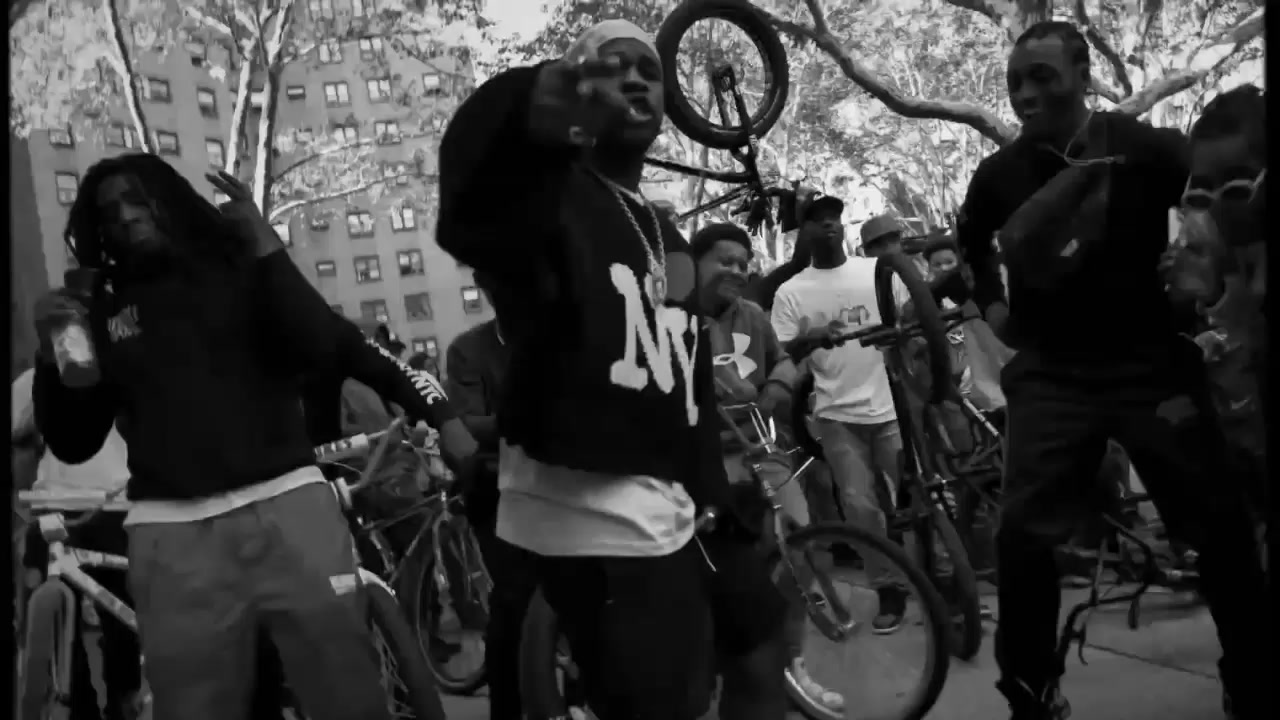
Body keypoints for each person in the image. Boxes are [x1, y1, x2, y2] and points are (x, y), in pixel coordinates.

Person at [436, 19, 788, 720]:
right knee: (668, 699)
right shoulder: (541, 199)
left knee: (761, 647)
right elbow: (468, 198)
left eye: (649, 71)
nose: (635, 80)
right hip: (589, 513)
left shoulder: (669, 238)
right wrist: (536, 93)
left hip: (683, 499)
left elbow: (682, 364)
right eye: (612, 66)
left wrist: (715, 484)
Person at [31, 153, 447, 720]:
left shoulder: (239, 265)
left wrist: (265, 243)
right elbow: (74, 440)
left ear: (170, 200)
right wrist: (51, 357)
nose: (125, 216)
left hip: (288, 507)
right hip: (172, 532)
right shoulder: (99, 308)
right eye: (109, 212)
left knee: (345, 692)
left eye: (137, 199)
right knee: (194, 705)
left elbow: (325, 344)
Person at [955, 22, 1267, 720]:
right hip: (1052, 377)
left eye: (1042, 76)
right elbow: (971, 247)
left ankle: (1252, 678)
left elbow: (1219, 199)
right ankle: (1031, 692)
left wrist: (1212, 277)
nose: (1026, 93)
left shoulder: (1143, 147)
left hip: (1151, 365)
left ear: (1082, 72)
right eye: (1015, 82)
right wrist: (996, 312)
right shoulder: (999, 175)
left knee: (1220, 526)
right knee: (1022, 538)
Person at [692, 222, 843, 712]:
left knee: (801, 550)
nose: (737, 270)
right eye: (725, 260)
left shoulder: (753, 316)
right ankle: (723, 669)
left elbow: (783, 359)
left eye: (743, 262)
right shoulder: (672, 320)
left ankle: (791, 664)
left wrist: (778, 385)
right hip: (704, 462)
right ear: (693, 264)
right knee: (722, 571)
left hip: (762, 449)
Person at [771, 193, 913, 633]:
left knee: (919, 498)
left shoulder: (877, 272)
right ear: (804, 232)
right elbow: (782, 352)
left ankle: (943, 583)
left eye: (835, 217)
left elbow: (911, 318)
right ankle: (888, 589)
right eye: (818, 220)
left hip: (893, 406)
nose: (829, 224)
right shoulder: (791, 292)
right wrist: (812, 337)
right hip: (836, 415)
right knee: (859, 508)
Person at [13, 366, 139, 720]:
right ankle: (80, 705)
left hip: (114, 504)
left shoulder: (118, 369)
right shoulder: (32, 382)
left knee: (121, 616)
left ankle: (123, 697)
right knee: (57, 623)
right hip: (54, 506)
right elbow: (17, 446)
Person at [443, 272, 538, 720]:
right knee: (515, 598)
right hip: (497, 488)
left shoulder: (562, 342)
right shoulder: (468, 349)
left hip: (563, 483)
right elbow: (467, 422)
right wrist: (541, 421)